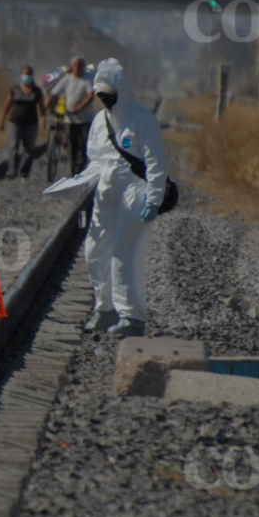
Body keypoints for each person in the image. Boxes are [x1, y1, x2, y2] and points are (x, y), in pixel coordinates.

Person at [81, 58, 167, 338]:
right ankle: (105, 310)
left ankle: (132, 317)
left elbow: (156, 162)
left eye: (109, 94)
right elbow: (94, 158)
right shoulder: (98, 121)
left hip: (135, 194)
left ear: (122, 92)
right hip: (106, 193)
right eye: (101, 95)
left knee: (124, 255)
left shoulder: (142, 119)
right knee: (95, 252)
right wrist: (80, 184)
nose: (105, 99)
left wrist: (153, 199)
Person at [45, 56, 96, 176]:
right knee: (72, 146)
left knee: (84, 146)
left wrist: (79, 108)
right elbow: (53, 94)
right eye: (75, 65)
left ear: (84, 67)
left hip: (85, 119)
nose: (77, 68)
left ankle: (81, 166)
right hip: (70, 120)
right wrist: (44, 108)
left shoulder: (88, 80)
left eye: (80, 65)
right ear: (71, 67)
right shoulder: (67, 80)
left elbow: (90, 96)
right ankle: (74, 171)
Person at [0, 65, 46, 179]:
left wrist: (43, 118)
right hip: (15, 122)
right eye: (25, 74)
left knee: (29, 148)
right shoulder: (15, 89)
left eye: (29, 74)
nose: (27, 77)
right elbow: (7, 104)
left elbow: (41, 106)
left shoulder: (37, 91)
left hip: (31, 124)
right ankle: (11, 170)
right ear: (21, 75)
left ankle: (24, 170)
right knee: (13, 145)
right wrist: (2, 120)